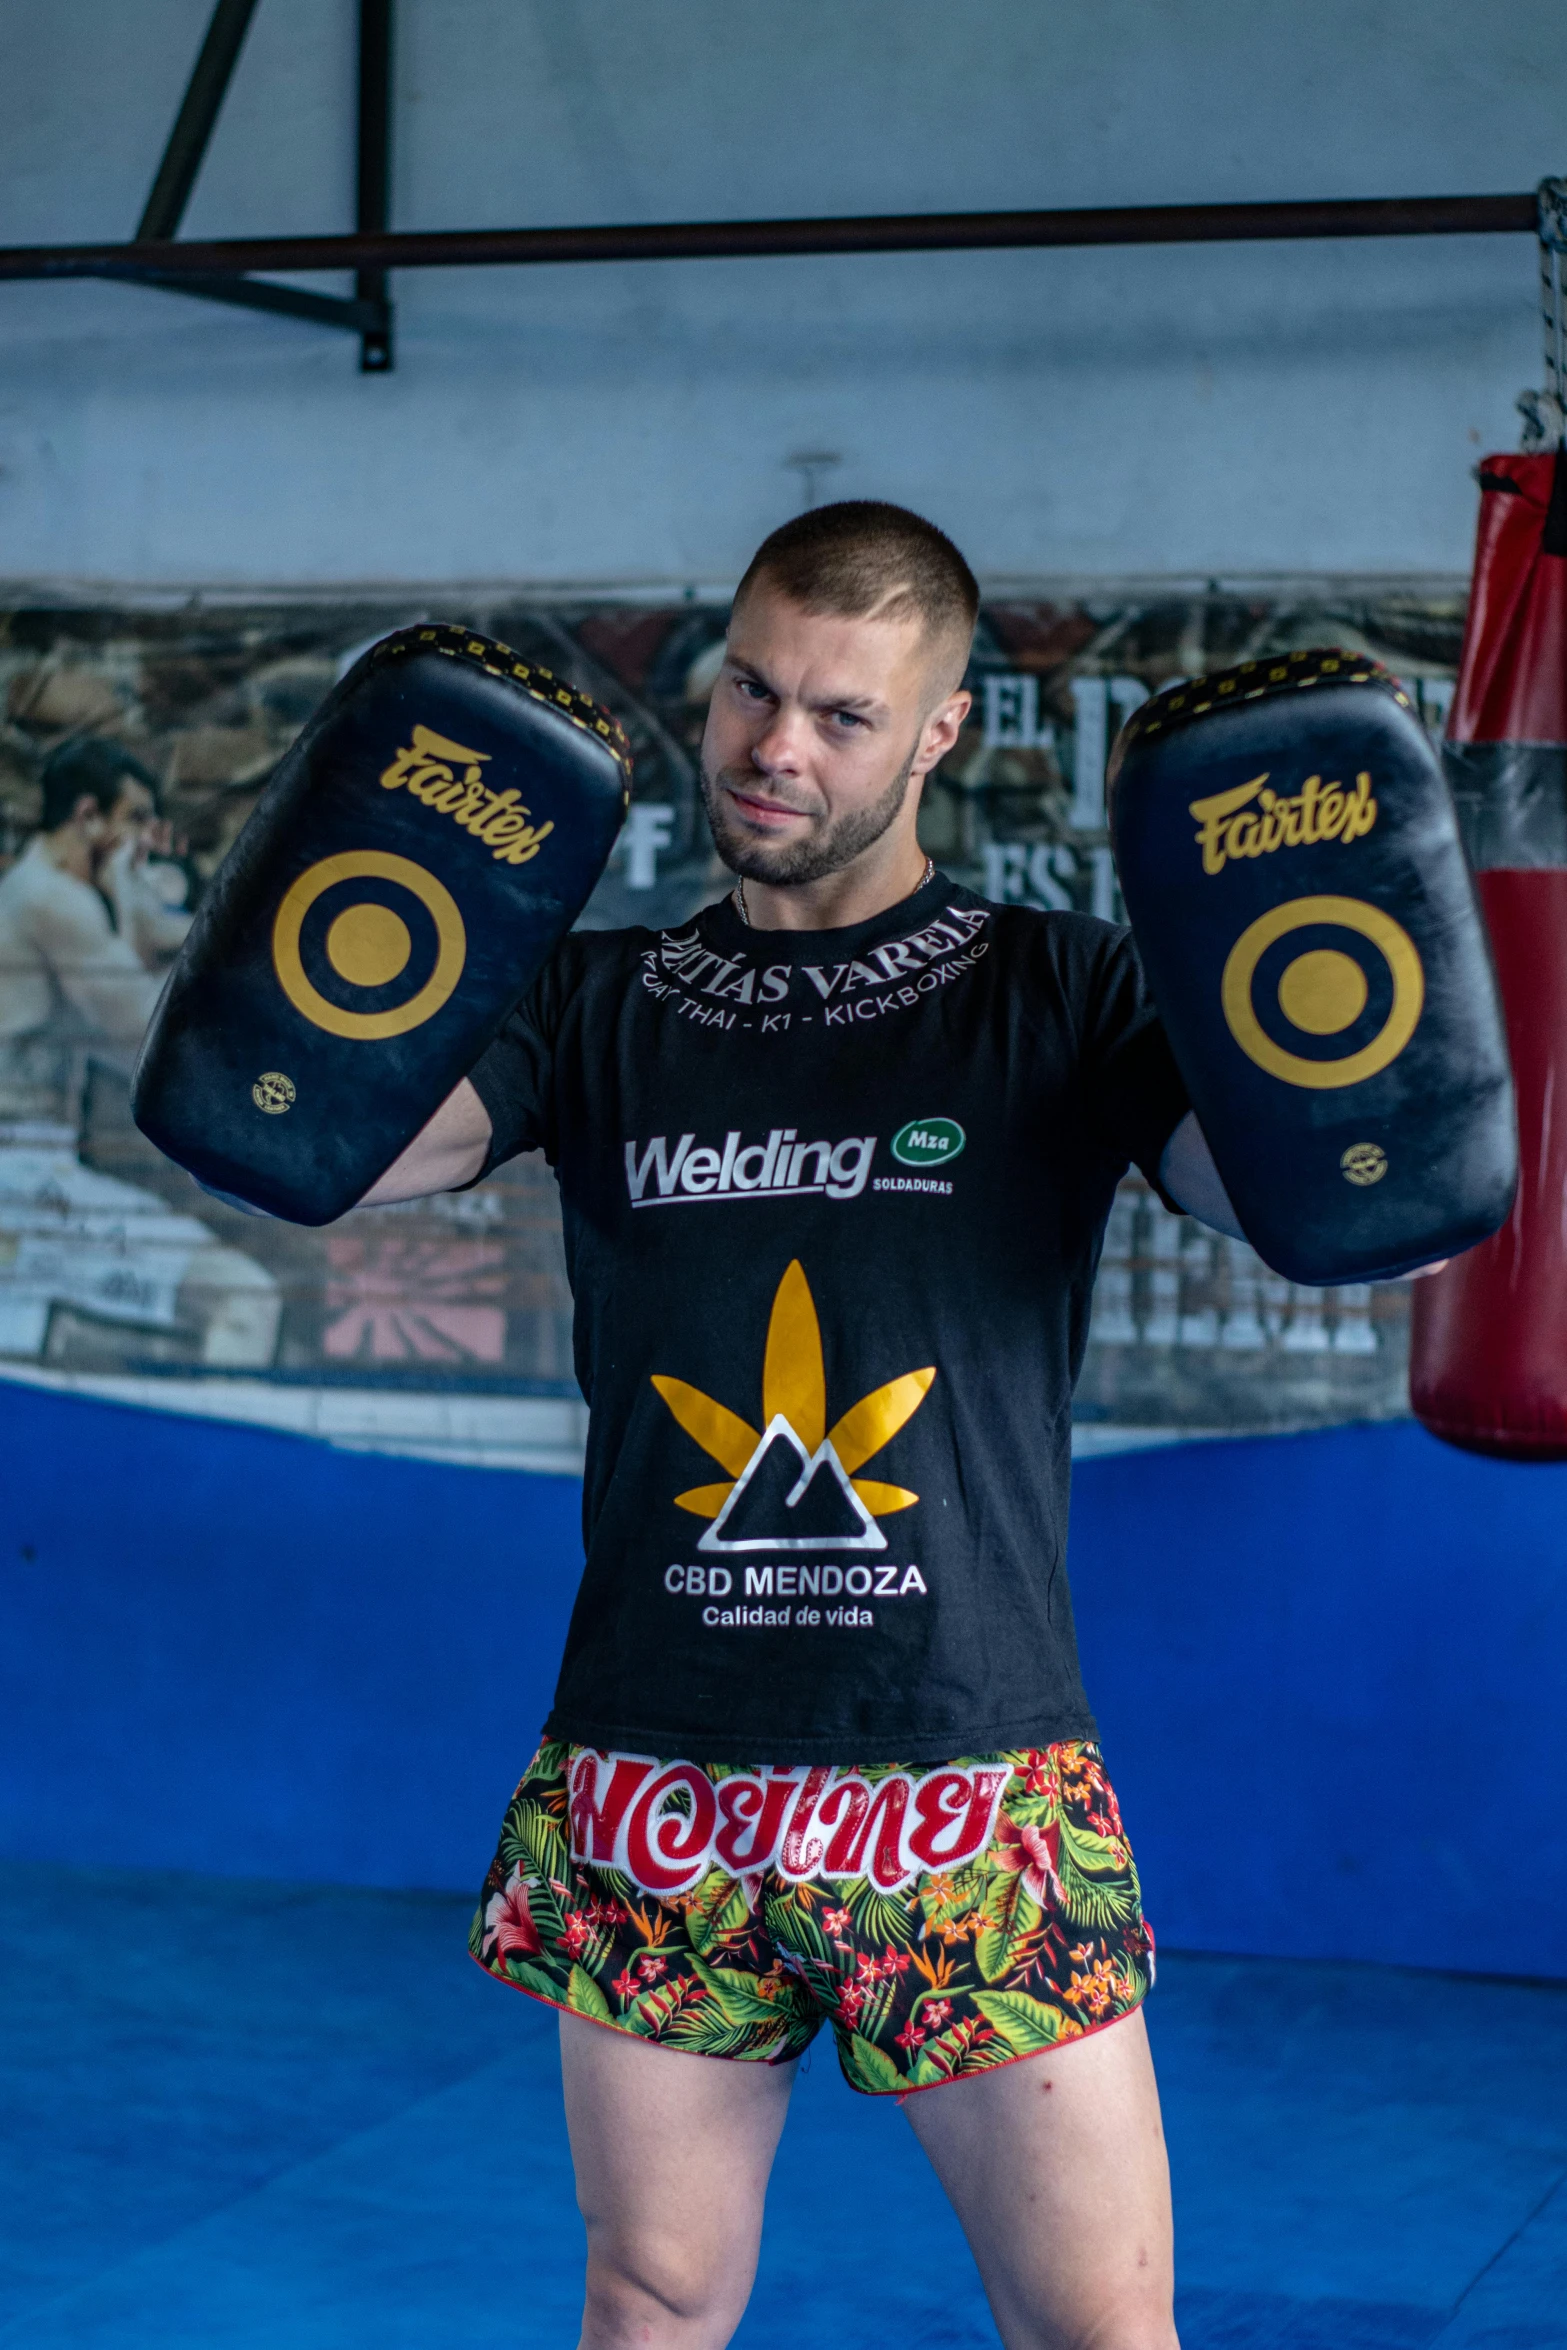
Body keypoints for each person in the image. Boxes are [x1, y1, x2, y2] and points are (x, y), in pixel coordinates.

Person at [363, 503, 1242, 2350]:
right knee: (652, 2296)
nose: (775, 744)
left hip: (963, 1772)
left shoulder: (1058, 990)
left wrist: (1323, 1027)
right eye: (752, 687)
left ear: (937, 735)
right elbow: (339, 1149)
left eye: (843, 714)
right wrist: (332, 929)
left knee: (1101, 2329)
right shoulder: (597, 998)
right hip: (651, 1769)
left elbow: (1268, 1189)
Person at [0, 737, 281, 1366]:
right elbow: (143, 1028)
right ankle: (222, 1464)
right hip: (19, 1177)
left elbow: (179, 933)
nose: (143, 838)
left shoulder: (76, 886)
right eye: (132, 820)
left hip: (38, 1174)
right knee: (243, 1297)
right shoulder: (49, 899)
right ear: (86, 817)